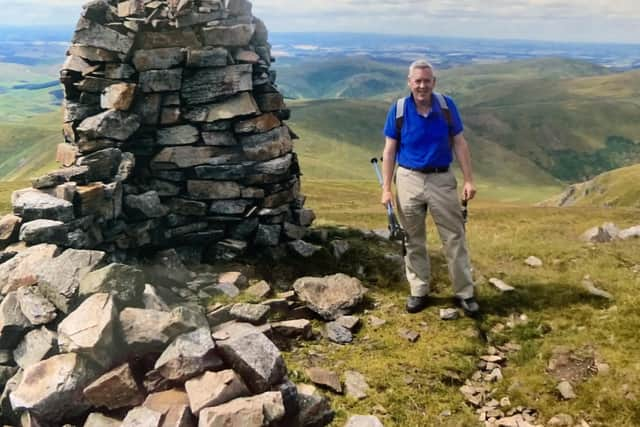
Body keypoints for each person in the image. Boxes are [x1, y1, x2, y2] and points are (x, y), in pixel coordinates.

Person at [380, 59, 479, 316]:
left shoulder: (446, 107)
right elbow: (389, 151)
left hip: (441, 179)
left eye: (427, 81)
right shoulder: (399, 109)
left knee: (454, 237)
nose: (422, 86)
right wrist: (386, 188)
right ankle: (419, 291)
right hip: (408, 179)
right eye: (417, 81)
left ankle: (465, 293)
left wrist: (469, 179)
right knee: (413, 239)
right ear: (410, 83)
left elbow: (460, 143)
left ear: (433, 82)